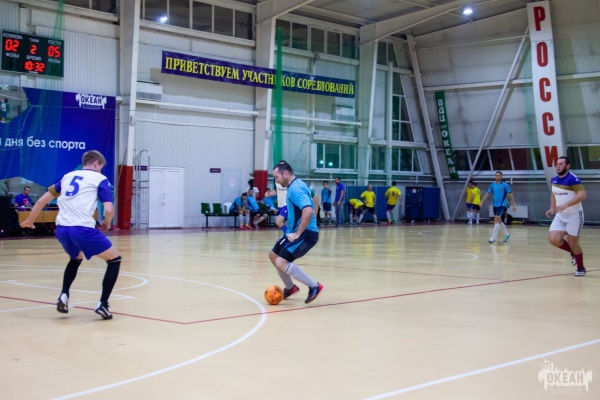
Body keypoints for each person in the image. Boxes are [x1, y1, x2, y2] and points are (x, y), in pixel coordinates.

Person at [19, 150, 121, 320]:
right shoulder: (100, 179)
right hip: (82, 228)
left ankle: (64, 295)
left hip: (62, 229)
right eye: (101, 167)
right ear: (96, 163)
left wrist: (30, 220)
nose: (100, 170)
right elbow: (109, 209)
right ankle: (103, 304)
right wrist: (107, 222)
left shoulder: (67, 177)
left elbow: (41, 201)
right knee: (114, 260)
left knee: (75, 258)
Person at [269, 160, 323, 304]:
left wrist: (298, 233)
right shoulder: (295, 185)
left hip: (306, 233)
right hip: (294, 231)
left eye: (277, 177)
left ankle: (314, 286)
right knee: (273, 255)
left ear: (285, 174)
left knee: (281, 262)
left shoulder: (296, 188)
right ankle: (290, 287)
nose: (276, 181)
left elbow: (308, 210)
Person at [545, 156, 587, 276]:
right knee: (553, 239)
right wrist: (552, 208)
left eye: (561, 164)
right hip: (560, 216)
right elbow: (553, 195)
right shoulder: (554, 180)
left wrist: (566, 205)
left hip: (574, 215)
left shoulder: (573, 179)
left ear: (567, 166)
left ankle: (580, 268)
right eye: (557, 164)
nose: (558, 166)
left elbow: (582, 195)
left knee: (573, 243)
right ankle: (573, 253)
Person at [480, 171, 516, 244]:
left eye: (498, 175)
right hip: (495, 205)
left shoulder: (505, 185)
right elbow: (487, 193)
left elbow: (510, 195)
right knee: (499, 221)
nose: (497, 177)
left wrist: (514, 205)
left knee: (496, 220)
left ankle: (493, 238)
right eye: (496, 175)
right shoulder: (493, 185)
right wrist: (482, 201)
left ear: (501, 176)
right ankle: (507, 235)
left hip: (502, 205)